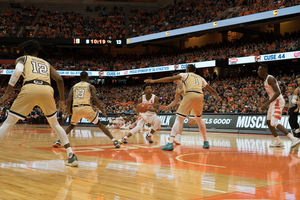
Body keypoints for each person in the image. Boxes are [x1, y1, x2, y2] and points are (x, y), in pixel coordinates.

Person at [0, 40, 78, 167]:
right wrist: (62, 100)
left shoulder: (23, 58)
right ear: (37, 52)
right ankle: (71, 155)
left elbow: (18, 72)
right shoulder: (46, 63)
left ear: (25, 52)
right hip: (47, 90)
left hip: (30, 87)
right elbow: (59, 79)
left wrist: (7, 94)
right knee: (55, 124)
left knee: (8, 123)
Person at [145, 64, 222, 151]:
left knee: (179, 119)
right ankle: (205, 142)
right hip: (200, 95)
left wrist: (154, 81)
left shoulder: (185, 75)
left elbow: (170, 78)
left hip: (189, 95)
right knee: (199, 119)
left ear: (187, 70)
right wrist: (217, 96)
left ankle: (170, 143)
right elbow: (211, 90)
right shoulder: (200, 78)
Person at [52, 71, 121, 148]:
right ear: (87, 77)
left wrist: (69, 112)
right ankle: (114, 141)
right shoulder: (90, 86)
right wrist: (103, 112)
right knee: (100, 125)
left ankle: (59, 141)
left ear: (80, 78)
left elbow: (68, 100)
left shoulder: (74, 87)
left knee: (71, 126)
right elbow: (95, 100)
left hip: (76, 108)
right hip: (86, 108)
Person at [258, 64, 300, 148]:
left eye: (259, 70)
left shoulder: (270, 78)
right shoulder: (265, 80)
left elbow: (278, 93)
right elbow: (271, 95)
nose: (258, 72)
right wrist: (263, 102)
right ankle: (279, 142)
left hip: (278, 101)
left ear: (264, 71)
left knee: (273, 123)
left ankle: (294, 139)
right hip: (273, 101)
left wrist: (266, 104)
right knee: (269, 123)